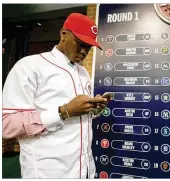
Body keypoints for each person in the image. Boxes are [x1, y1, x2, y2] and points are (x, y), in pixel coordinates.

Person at [2, 13, 110, 178]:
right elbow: (6, 125)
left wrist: (94, 109)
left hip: (84, 170)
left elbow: (78, 118)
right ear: (63, 34)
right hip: (48, 172)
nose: (84, 51)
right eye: (80, 43)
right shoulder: (29, 66)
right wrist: (63, 111)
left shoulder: (82, 72)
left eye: (89, 47)